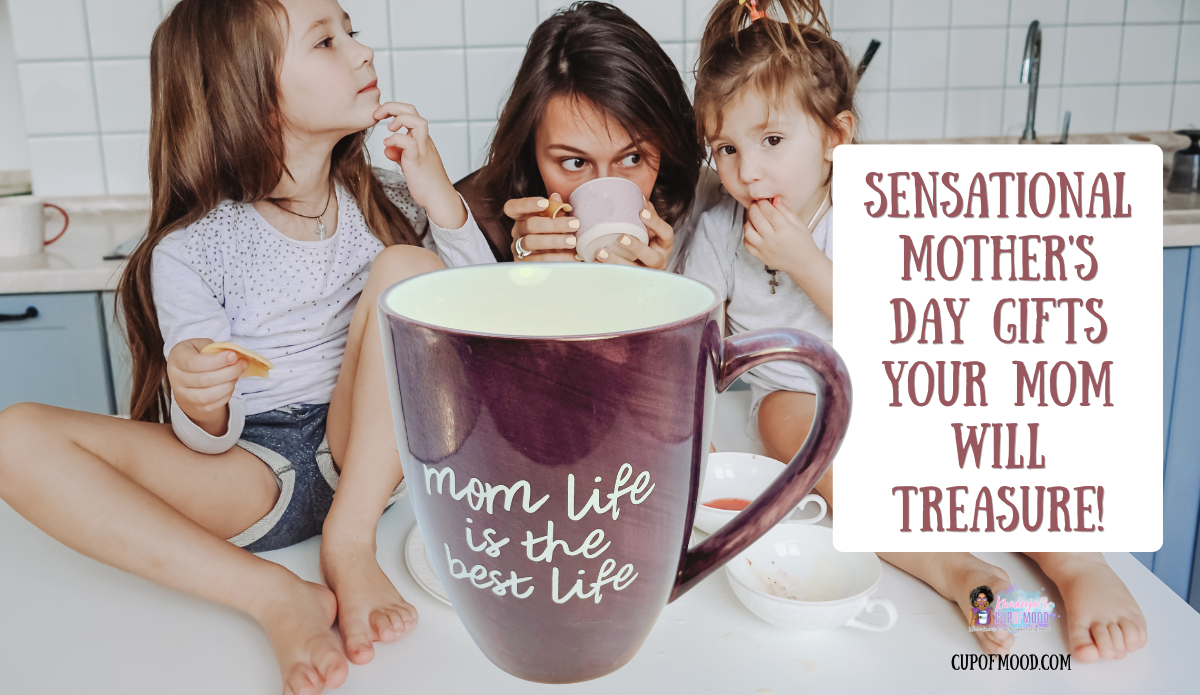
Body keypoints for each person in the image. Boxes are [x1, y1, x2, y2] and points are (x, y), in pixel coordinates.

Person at [0, 1, 493, 693]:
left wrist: (438, 194)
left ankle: (347, 545)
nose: (361, 52)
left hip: (364, 459)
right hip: (246, 470)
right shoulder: (192, 250)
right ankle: (271, 594)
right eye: (326, 40)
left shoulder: (381, 203)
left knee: (407, 271)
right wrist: (199, 403)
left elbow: (483, 327)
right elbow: (206, 444)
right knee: (13, 436)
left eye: (351, 30)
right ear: (250, 91)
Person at [687, 0, 1147, 663]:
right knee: (786, 422)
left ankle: (1075, 563)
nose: (746, 171)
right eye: (726, 149)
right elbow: (698, 332)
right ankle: (960, 570)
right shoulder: (722, 228)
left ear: (836, 138)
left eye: (772, 141)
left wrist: (806, 263)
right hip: (805, 393)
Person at [454, 1, 721, 269]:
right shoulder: (472, 221)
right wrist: (528, 282)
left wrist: (656, 289)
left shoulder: (713, 209)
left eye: (632, 158)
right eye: (575, 163)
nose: (604, 194)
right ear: (530, 149)